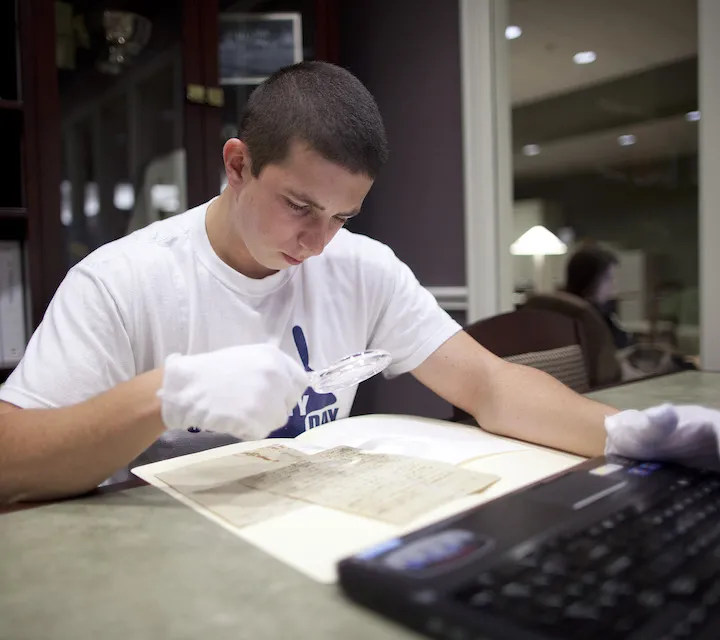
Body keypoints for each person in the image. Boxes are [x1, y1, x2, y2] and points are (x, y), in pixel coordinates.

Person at [0, 62, 715, 504]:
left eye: (342, 216)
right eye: (300, 207)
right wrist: (164, 395)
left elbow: (490, 387)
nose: (316, 245)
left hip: (308, 534)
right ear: (239, 163)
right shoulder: (122, 279)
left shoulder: (362, 267)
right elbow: (11, 463)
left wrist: (620, 434)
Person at [564, 244, 633, 350]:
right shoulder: (593, 316)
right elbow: (621, 345)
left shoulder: (558, 309)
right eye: (608, 278)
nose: (613, 286)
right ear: (590, 280)